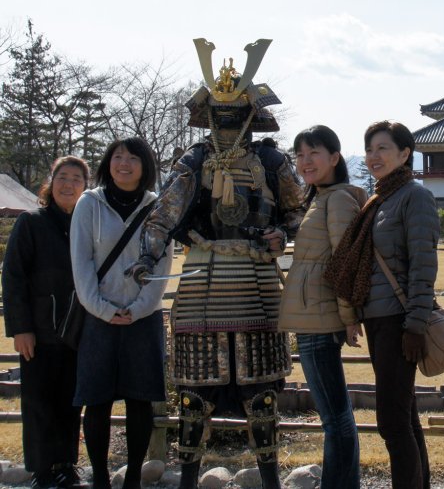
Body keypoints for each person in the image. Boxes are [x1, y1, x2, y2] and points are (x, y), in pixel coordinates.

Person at [126, 38, 305, 489]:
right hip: (203, 275)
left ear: (251, 114)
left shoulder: (272, 159)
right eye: (218, 115)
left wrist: (282, 234)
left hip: (257, 281)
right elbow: (164, 212)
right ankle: (188, 480)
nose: (225, 123)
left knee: (261, 392)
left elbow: (299, 212)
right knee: (193, 392)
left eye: (233, 114)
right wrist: (147, 256)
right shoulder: (194, 159)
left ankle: (270, 481)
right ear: (207, 116)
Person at [326, 120, 439, 489]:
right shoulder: (380, 198)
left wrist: (416, 324)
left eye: (383, 148)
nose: (374, 156)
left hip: (399, 320)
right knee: (404, 416)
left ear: (405, 154)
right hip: (378, 318)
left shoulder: (414, 196)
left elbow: (423, 265)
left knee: (391, 421)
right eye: (370, 149)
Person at [70, 137, 172, 489]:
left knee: (139, 399)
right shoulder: (89, 204)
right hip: (97, 317)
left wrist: (139, 308)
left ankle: (132, 479)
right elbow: (81, 262)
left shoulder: (157, 207)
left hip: (142, 319)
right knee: (96, 400)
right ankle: (100, 478)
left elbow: (163, 264)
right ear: (107, 162)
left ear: (145, 165)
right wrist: (102, 309)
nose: (123, 163)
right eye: (117, 157)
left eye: (132, 157)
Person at [278, 125, 366, 488]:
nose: (305, 161)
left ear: (334, 158)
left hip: (322, 318)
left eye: (314, 153)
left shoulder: (339, 198)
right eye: (299, 154)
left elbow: (344, 263)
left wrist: (348, 318)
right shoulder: (318, 198)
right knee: (335, 414)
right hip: (313, 314)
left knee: (335, 417)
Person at [2, 156, 90, 489]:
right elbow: (13, 277)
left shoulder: (85, 225)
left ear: (85, 186)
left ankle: (66, 464)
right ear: (51, 183)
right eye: (63, 178)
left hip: (77, 330)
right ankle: (42, 469)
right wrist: (20, 327)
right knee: (38, 401)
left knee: (70, 402)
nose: (69, 185)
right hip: (39, 329)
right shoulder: (32, 222)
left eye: (76, 179)